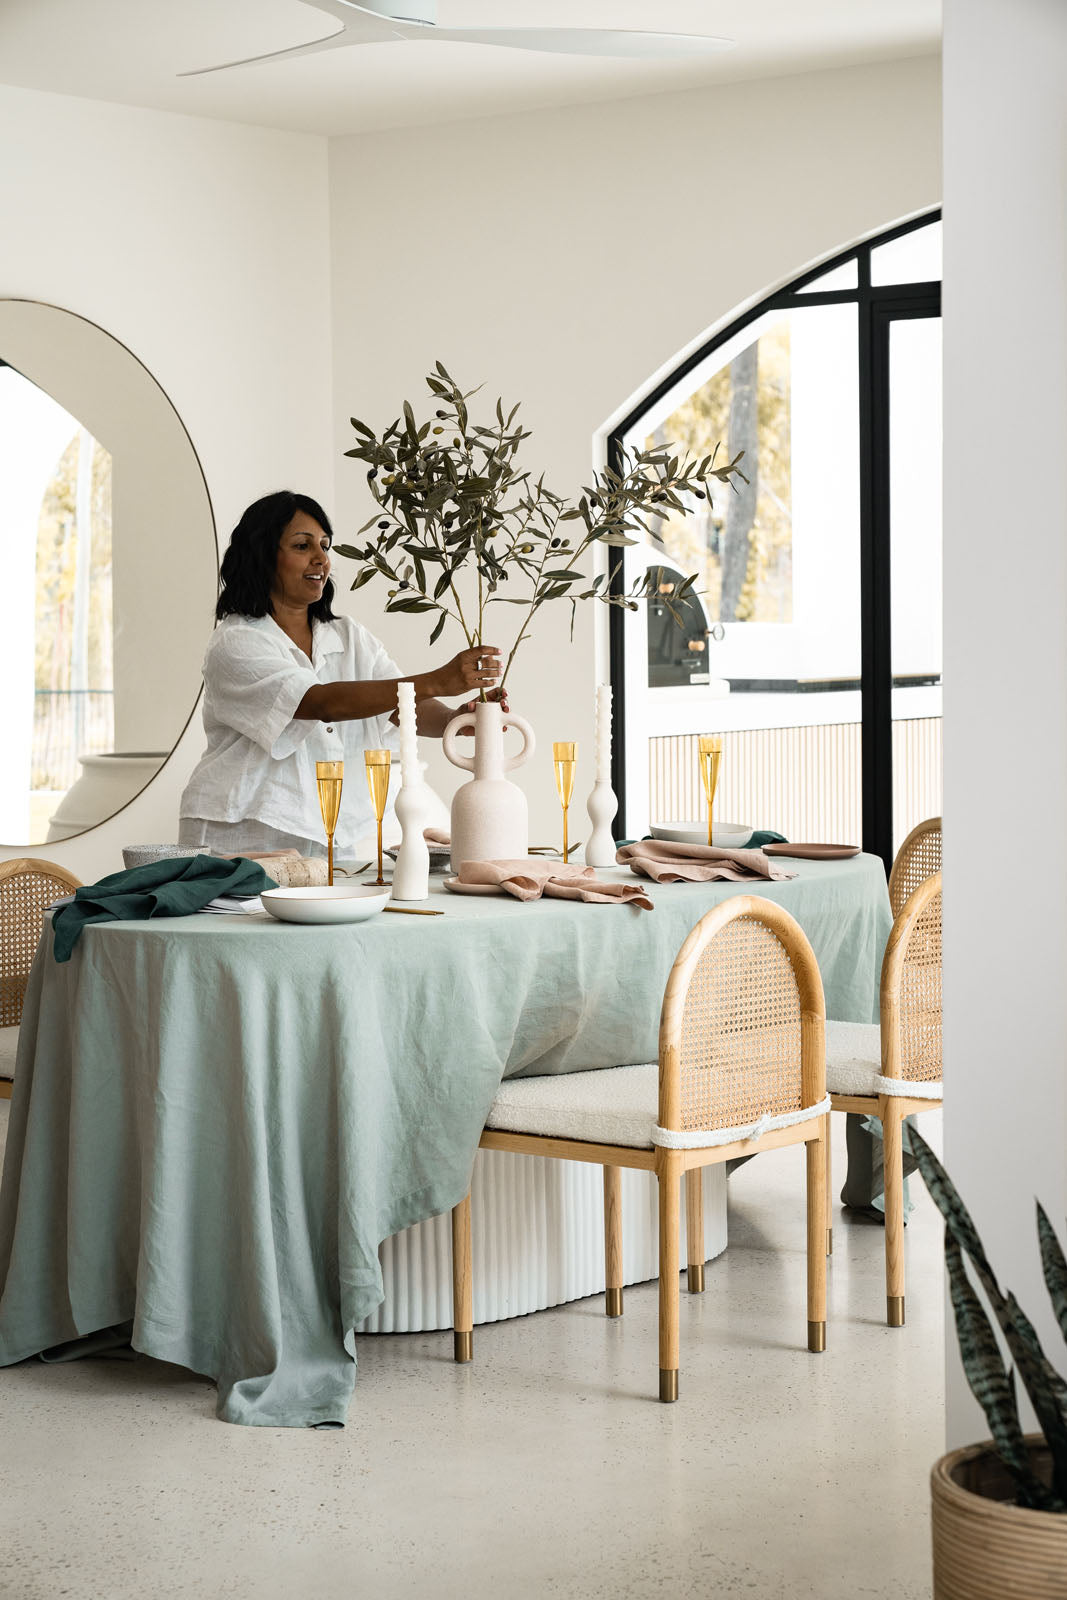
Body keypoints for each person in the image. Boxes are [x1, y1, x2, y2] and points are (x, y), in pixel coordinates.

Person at [179, 489, 505, 860]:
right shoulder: (236, 642)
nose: (321, 559)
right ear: (263, 555)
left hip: (336, 831)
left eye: (325, 545)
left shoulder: (349, 635)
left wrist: (455, 718)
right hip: (246, 831)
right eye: (303, 546)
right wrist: (438, 679)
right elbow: (321, 702)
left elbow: (402, 708)